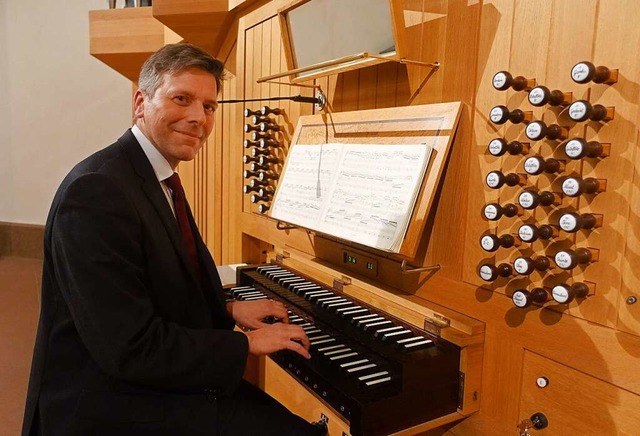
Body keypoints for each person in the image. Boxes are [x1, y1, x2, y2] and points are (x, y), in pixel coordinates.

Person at [22, 43, 323, 436]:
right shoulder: (97, 191)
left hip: (139, 377)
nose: (198, 117)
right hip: (103, 401)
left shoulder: (149, 176)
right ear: (140, 102)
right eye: (182, 99)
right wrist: (245, 345)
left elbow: (154, 283)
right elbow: (129, 347)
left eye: (210, 106)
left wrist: (229, 310)